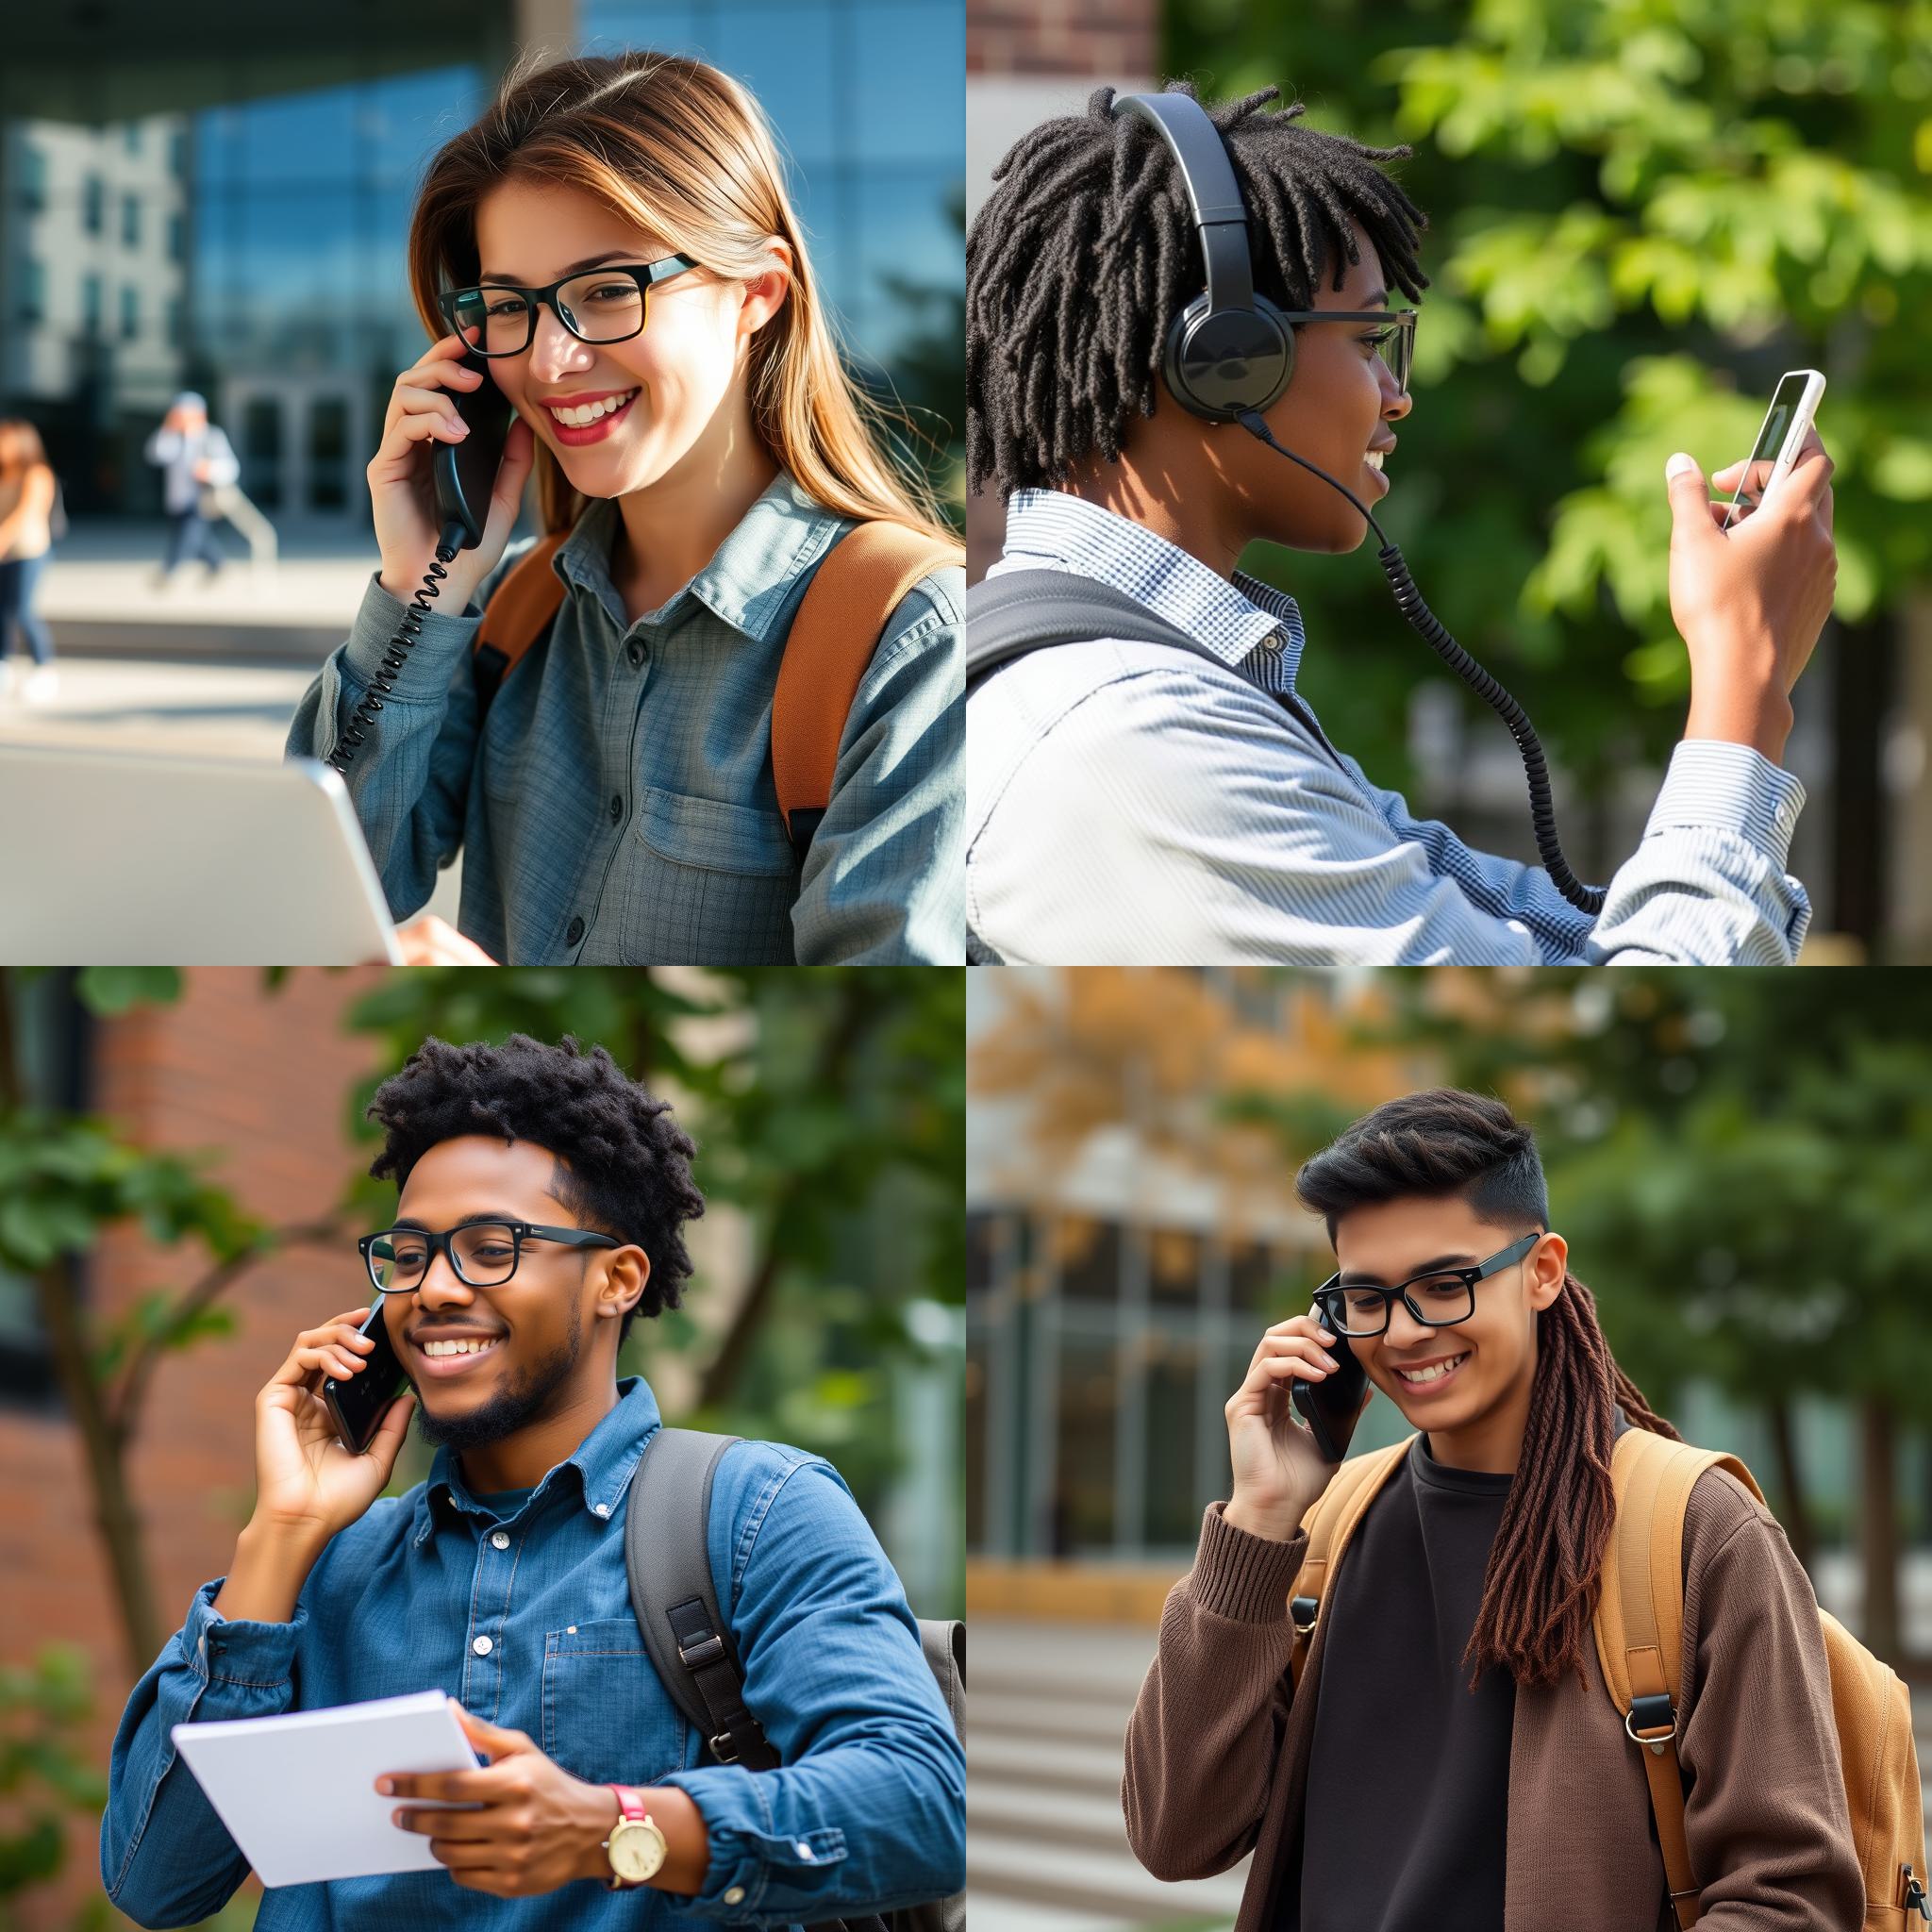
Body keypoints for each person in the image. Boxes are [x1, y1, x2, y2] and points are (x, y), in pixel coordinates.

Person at [101, 1033, 964, 1929]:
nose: (432, 1288)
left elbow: (924, 1806)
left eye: (490, 1247)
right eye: (409, 1254)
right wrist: (281, 1532)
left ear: (616, 1280)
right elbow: (153, 1882)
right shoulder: (328, 1564)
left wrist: (612, 1827)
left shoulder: (757, 1513)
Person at [964, 82, 1839, 966]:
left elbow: (1550, 944)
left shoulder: (1161, 683)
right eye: (1368, 342)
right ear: (1225, 364)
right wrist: (1744, 677)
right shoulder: (1137, 738)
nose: (1398, 395)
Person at [1123, 1088, 1862, 1930]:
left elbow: (1790, 1899)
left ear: (1542, 1271)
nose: (1402, 1332)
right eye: (1366, 1298)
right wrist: (1259, 1518)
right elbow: (1175, 1837)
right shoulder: (1329, 1530)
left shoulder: (1697, 1531)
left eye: (1444, 1284)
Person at [286, 51, 964, 968]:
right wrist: (420, 587)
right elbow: (321, 898)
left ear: (755, 294)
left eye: (606, 291)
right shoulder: (521, 612)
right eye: (508, 307)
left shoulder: (907, 636)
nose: (550, 360)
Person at [145, 391, 240, 583]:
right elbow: (155, 454)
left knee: (188, 536)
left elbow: (231, 468)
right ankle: (217, 563)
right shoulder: (173, 437)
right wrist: (169, 428)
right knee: (196, 539)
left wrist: (210, 469)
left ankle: (168, 571)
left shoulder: (211, 436)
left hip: (200, 500)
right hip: (176, 499)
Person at [0, 418, 59, 703]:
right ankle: (4, 665)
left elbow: (24, 514)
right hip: (5, 553)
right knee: (2, 613)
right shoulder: (4, 475)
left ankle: (44, 667)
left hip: (29, 551)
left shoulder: (36, 473)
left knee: (23, 610)